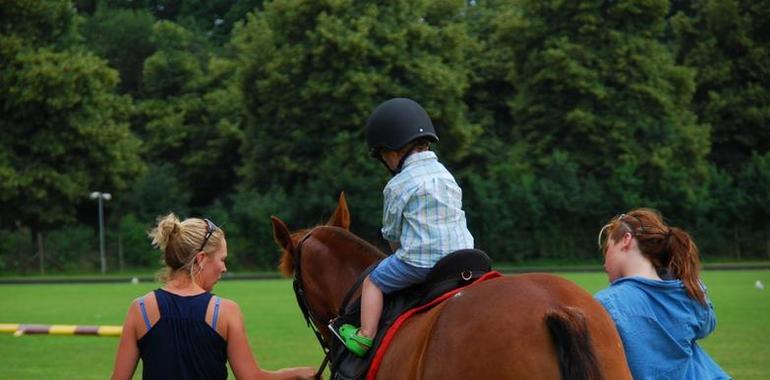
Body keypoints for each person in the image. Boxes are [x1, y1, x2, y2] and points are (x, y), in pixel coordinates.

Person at [338, 97, 475, 357]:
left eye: (382, 155)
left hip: (421, 262)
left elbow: (392, 235)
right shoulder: (445, 174)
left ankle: (364, 336)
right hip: (464, 257)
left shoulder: (398, 185)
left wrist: (396, 253)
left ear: (392, 151)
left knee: (373, 281)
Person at [111, 214, 317, 380]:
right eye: (222, 259)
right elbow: (252, 377)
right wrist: (296, 374)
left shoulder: (141, 309)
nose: (224, 268)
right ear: (201, 259)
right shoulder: (225, 312)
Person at [594, 209, 731, 380]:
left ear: (626, 240)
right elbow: (707, 325)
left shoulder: (606, 303)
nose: (604, 263)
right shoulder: (688, 293)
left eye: (607, 249)